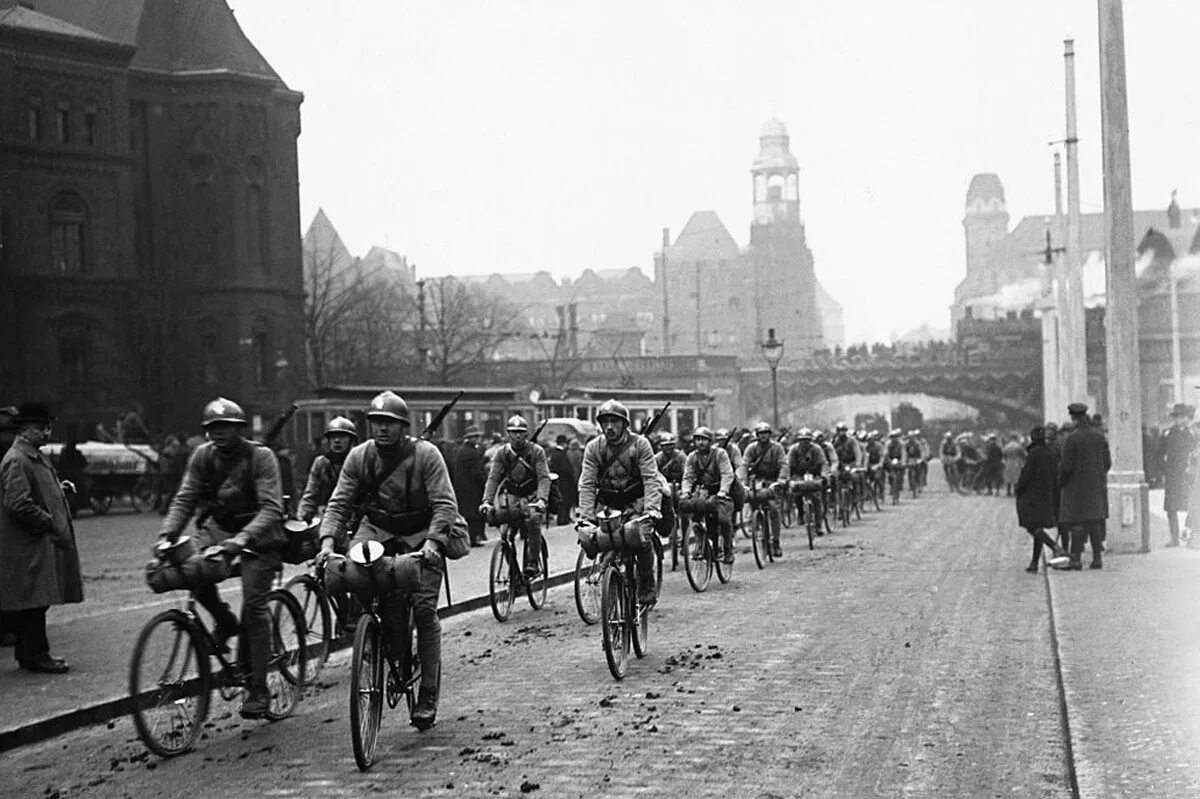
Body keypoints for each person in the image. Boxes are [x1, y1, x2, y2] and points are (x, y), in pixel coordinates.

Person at [317, 391, 457, 730]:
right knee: (357, 580)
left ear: (403, 427)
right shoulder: (358, 457)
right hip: (376, 530)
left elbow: (444, 504)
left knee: (424, 611)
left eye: (389, 424)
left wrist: (434, 544)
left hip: (420, 532)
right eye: (377, 423)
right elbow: (339, 504)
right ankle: (376, 640)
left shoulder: (426, 455)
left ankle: (427, 692)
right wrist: (326, 543)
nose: (382, 430)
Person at [157, 397, 285, 718]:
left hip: (259, 535)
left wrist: (242, 540)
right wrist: (166, 535)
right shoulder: (202, 457)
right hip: (220, 528)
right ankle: (224, 620)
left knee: (255, 605)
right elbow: (185, 497)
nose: (218, 434)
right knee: (191, 571)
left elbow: (272, 508)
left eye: (225, 427)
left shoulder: (261, 457)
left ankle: (258, 687)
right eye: (213, 428)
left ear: (240, 429)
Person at [0, 403, 83, 673]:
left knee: (37, 602)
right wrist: (48, 521)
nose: (47, 433)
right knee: (35, 602)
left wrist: (58, 490)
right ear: (24, 430)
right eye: (41, 428)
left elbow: (34, 490)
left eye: (48, 427)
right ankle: (38, 655)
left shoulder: (32, 455)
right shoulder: (17, 459)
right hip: (29, 545)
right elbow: (17, 503)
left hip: (35, 544)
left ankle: (27, 654)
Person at [577, 400, 662, 603]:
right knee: (597, 538)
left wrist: (651, 510)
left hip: (636, 500)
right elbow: (587, 484)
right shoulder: (594, 448)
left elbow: (651, 478)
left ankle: (647, 585)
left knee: (642, 539)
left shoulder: (640, 444)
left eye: (614, 421)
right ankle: (609, 577)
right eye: (605, 422)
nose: (609, 427)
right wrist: (586, 517)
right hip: (608, 504)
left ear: (625, 424)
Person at [480, 416, 551, 579]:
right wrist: (487, 501)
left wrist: (542, 499)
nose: (517, 436)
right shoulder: (502, 453)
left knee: (533, 520)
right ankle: (514, 574)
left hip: (532, 496)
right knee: (505, 535)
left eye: (521, 432)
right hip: (511, 496)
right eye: (513, 433)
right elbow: (493, 478)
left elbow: (543, 478)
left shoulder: (536, 451)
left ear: (526, 434)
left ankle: (532, 562)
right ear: (508, 434)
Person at [1057, 402, 1112, 570]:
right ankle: (1097, 559)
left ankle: (1076, 559)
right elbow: (1108, 463)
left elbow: (1066, 466)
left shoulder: (1071, 439)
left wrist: (1061, 481)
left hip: (1076, 487)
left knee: (1077, 523)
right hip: (1095, 485)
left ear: (1073, 418)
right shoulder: (1099, 436)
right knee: (1094, 521)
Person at [1014, 426, 1067, 572]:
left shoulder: (1033, 454)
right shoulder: (1050, 454)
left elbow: (1026, 475)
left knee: (1031, 526)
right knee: (1038, 527)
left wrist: (1018, 489)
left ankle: (1055, 547)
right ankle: (1034, 563)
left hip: (1032, 495)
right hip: (1046, 494)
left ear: (1032, 439)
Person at [738, 421, 789, 557]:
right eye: (760, 434)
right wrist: (742, 482)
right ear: (757, 435)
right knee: (753, 500)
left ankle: (776, 541)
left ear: (769, 435)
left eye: (766, 434)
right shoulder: (751, 448)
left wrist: (781, 480)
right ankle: (757, 525)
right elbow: (744, 464)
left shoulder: (777, 448)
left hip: (773, 480)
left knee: (774, 509)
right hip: (757, 480)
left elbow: (784, 464)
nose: (763, 437)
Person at [297, 416, 358, 524]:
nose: (337, 441)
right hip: (328, 516)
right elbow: (310, 494)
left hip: (355, 517)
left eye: (342, 437)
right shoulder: (321, 463)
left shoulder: (359, 461)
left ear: (351, 441)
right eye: (333, 437)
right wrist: (302, 518)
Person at [1158, 403, 1196, 547]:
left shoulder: (1193, 434)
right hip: (1173, 476)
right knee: (1171, 508)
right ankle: (1174, 538)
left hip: (1189, 477)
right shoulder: (1168, 434)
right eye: (1179, 417)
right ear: (1175, 419)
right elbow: (1159, 455)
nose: (1182, 420)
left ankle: (1191, 537)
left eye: (1184, 416)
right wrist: (1165, 471)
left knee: (1192, 506)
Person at [451, 426, 488, 546]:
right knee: (475, 514)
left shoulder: (461, 451)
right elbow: (476, 473)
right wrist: (485, 482)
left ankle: (470, 538)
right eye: (476, 437)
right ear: (471, 438)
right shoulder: (473, 453)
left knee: (467, 513)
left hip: (462, 488)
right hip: (473, 488)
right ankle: (474, 538)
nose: (478, 439)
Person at [547, 434, 578, 526]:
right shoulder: (561, 454)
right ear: (564, 443)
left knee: (561, 500)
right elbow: (565, 469)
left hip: (557, 481)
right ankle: (563, 519)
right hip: (565, 481)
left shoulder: (553, 453)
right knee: (565, 500)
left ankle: (564, 518)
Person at [1002, 433, 1027, 497]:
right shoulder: (1018, 446)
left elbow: (1003, 454)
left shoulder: (1007, 446)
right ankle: (1016, 492)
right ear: (1016, 438)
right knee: (1016, 478)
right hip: (1016, 462)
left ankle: (1008, 492)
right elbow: (1024, 454)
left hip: (1008, 462)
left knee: (1008, 477)